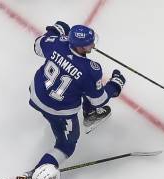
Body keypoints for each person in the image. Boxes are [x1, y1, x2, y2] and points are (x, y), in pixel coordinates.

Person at [30, 21, 126, 168]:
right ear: (79, 47)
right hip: (59, 111)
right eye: (89, 44)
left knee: (82, 85)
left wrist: (54, 31)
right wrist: (115, 85)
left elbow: (37, 46)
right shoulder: (90, 70)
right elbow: (98, 100)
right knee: (66, 146)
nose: (93, 46)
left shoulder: (56, 42)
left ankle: (89, 114)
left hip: (36, 93)